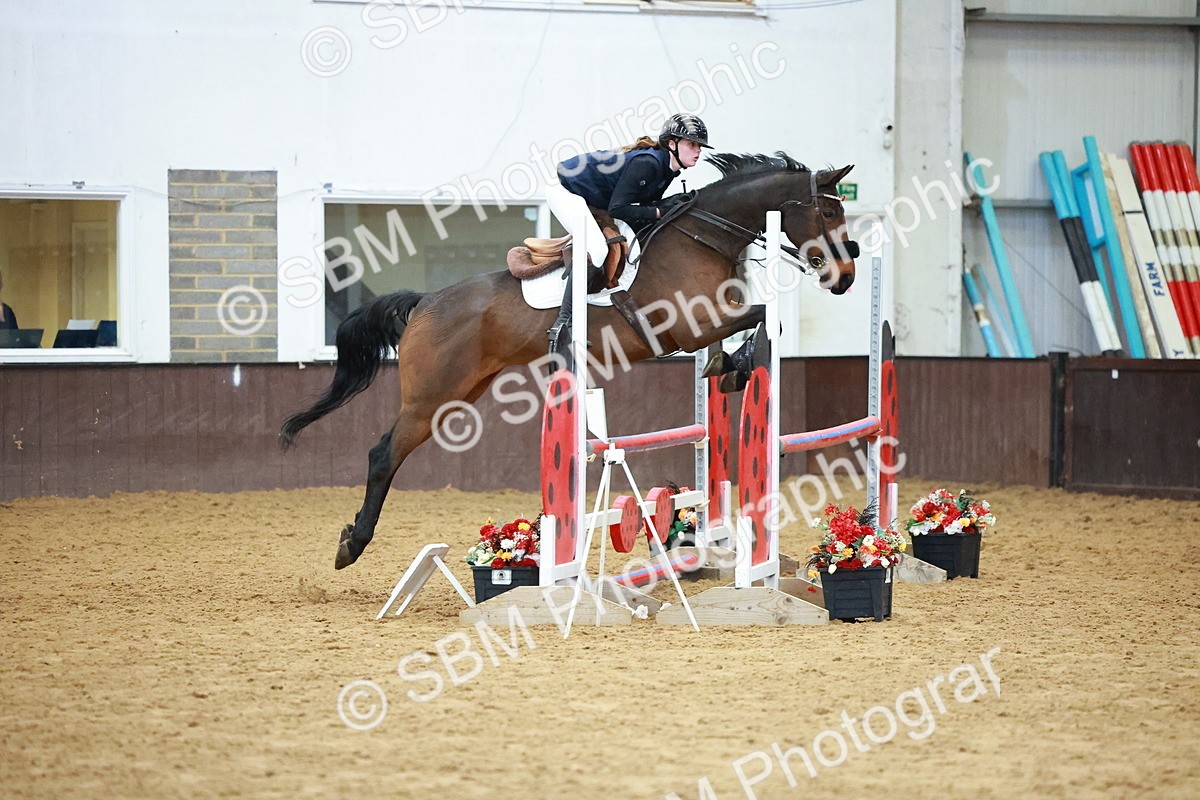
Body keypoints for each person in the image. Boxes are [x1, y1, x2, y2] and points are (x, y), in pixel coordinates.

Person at [543, 114, 711, 361]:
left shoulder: (667, 170)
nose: (697, 151)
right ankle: (563, 324)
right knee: (598, 251)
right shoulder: (649, 164)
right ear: (672, 144)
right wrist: (660, 210)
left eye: (699, 146)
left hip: (591, 198)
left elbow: (640, 208)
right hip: (566, 192)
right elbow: (619, 209)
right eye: (691, 144)